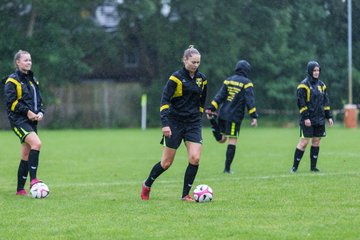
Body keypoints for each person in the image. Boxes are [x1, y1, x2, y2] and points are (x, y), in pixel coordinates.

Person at [141, 45, 207, 201]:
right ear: (185, 60)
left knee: (195, 158)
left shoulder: (202, 79)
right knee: (166, 163)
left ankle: (185, 195)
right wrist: (165, 123)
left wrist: (199, 115)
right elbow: (164, 101)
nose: (196, 65)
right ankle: (147, 184)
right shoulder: (175, 78)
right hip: (174, 123)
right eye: (193, 62)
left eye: (198, 63)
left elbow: (202, 101)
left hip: (193, 123)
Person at [205, 60, 258, 174]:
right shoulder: (247, 83)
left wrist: (212, 108)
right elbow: (250, 101)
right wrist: (254, 116)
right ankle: (227, 169)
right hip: (234, 117)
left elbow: (220, 96)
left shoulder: (228, 80)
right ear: (247, 70)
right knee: (232, 140)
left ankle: (212, 122)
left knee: (222, 140)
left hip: (222, 114)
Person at [4, 50, 45, 195]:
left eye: (30, 60)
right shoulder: (12, 80)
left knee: (26, 154)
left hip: (32, 121)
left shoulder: (33, 80)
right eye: (25, 60)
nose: (28, 62)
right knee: (37, 144)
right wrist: (27, 112)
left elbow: (39, 101)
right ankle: (34, 180)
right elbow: (11, 103)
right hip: (18, 120)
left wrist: (40, 113)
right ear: (18, 62)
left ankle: (20, 190)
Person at [291, 60, 333, 173]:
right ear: (310, 71)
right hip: (308, 119)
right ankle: (294, 167)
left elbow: (326, 102)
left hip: (319, 119)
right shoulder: (303, 86)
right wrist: (306, 117)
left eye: (318, 70)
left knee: (316, 142)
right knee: (304, 142)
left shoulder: (322, 85)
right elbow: (301, 103)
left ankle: (313, 168)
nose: (316, 72)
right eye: (314, 70)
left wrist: (329, 117)